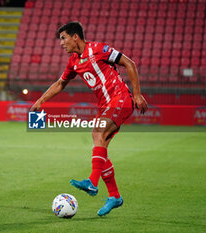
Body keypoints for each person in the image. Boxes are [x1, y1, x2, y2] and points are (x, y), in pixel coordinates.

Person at [30, 22, 148, 216]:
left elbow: (129, 63)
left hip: (121, 98)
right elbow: (61, 83)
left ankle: (92, 183)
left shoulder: (99, 49)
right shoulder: (73, 62)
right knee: (101, 149)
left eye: (63, 38)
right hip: (105, 106)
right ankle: (115, 196)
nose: (61, 43)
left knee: (97, 132)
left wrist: (137, 94)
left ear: (75, 37)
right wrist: (40, 100)